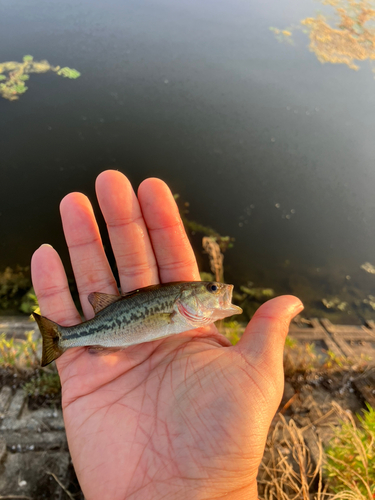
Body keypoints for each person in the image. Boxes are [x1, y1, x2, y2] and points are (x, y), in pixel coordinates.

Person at [31, 170, 303, 500]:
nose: (221, 291)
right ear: (183, 301)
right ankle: (61, 338)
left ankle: (63, 338)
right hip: (102, 335)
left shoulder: (184, 314)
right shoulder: (179, 312)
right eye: (212, 289)